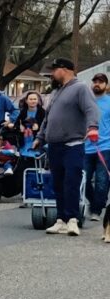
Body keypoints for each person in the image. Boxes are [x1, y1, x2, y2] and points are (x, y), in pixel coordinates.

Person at [35, 58, 100, 236]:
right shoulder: (56, 92)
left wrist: (92, 127)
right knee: (57, 183)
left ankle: (72, 219)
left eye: (54, 70)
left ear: (64, 70)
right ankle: (61, 219)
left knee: (71, 182)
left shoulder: (80, 88)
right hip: (54, 145)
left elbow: (91, 109)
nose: (51, 74)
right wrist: (40, 137)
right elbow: (47, 118)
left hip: (73, 144)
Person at [84, 73, 110, 222]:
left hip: (105, 147)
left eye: (101, 82)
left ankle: (96, 210)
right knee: (84, 179)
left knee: (102, 181)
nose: (97, 84)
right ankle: (93, 201)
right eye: (95, 81)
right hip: (86, 147)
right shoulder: (86, 102)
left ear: (106, 85)